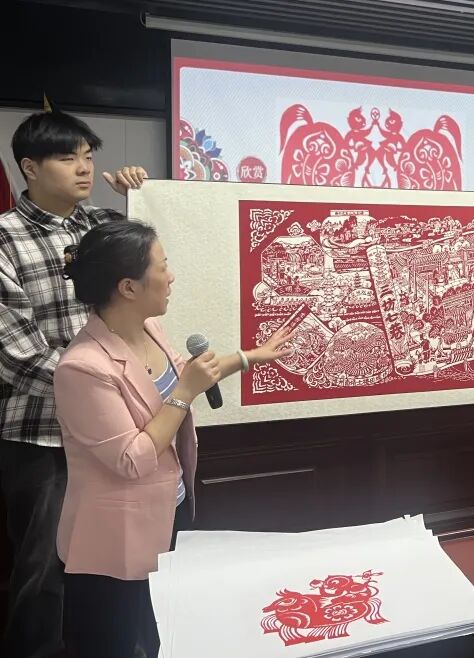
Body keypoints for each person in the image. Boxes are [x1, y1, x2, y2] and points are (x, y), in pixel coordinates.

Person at [55, 220, 293, 658]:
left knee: (163, 634)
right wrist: (185, 393)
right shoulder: (82, 368)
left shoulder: (148, 330)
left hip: (170, 509)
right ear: (128, 287)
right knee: (115, 641)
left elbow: (185, 373)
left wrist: (248, 357)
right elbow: (131, 458)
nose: (172, 276)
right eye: (162, 266)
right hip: (115, 538)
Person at [0, 109, 147, 658]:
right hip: (43, 435)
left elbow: (159, 286)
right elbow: (16, 356)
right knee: (45, 573)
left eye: (89, 156)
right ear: (29, 168)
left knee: (124, 564)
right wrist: (102, 391)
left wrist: (144, 203)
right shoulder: (5, 239)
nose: (85, 168)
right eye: (68, 158)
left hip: (121, 430)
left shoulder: (105, 227)